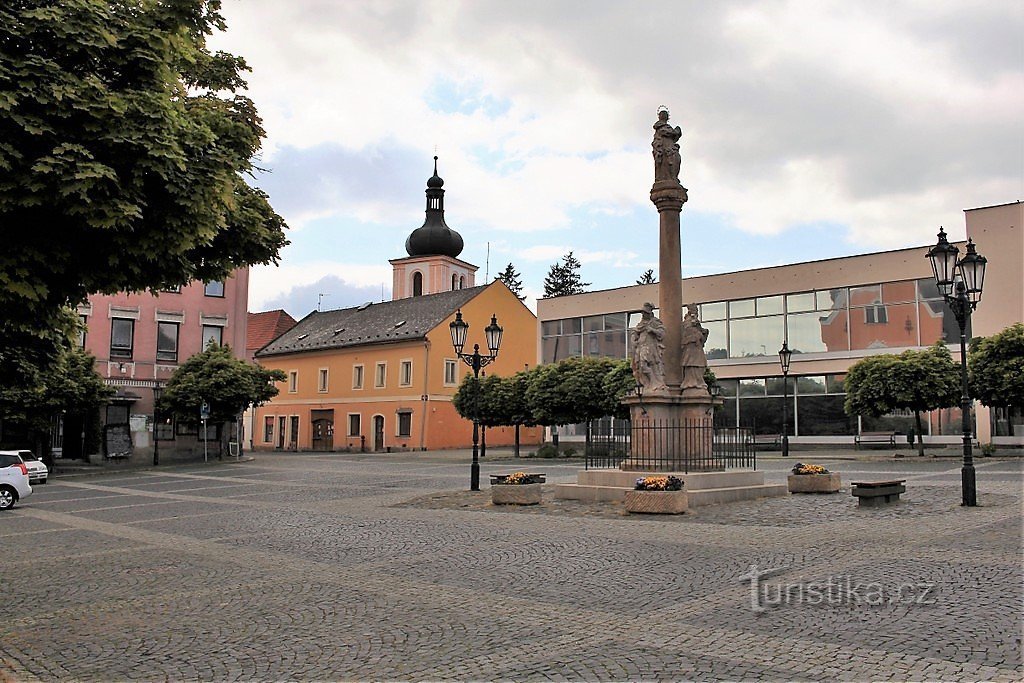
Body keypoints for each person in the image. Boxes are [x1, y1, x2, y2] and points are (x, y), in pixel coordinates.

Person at [631, 303, 668, 394]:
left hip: (650, 347)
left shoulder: (655, 322)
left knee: (647, 364)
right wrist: (633, 339)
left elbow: (662, 333)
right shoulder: (641, 324)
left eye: (645, 313)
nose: (643, 314)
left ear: (649, 313)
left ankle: (655, 383)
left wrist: (652, 330)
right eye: (642, 313)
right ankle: (648, 384)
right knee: (640, 366)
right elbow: (635, 332)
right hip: (640, 347)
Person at [680, 303, 709, 392]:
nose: (695, 313)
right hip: (690, 348)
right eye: (693, 311)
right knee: (691, 364)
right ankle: (691, 383)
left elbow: (703, 335)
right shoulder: (686, 323)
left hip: (697, 348)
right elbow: (684, 334)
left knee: (700, 365)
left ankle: (698, 382)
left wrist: (700, 329)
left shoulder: (696, 323)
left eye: (696, 311)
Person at [652, 108, 682, 183]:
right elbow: (665, 132)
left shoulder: (668, 127)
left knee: (676, 159)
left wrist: (677, 132)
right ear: (659, 116)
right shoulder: (659, 126)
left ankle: (672, 177)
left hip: (670, 146)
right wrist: (676, 131)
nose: (663, 116)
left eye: (665, 114)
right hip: (663, 147)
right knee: (665, 161)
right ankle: (665, 178)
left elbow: (674, 136)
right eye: (662, 114)